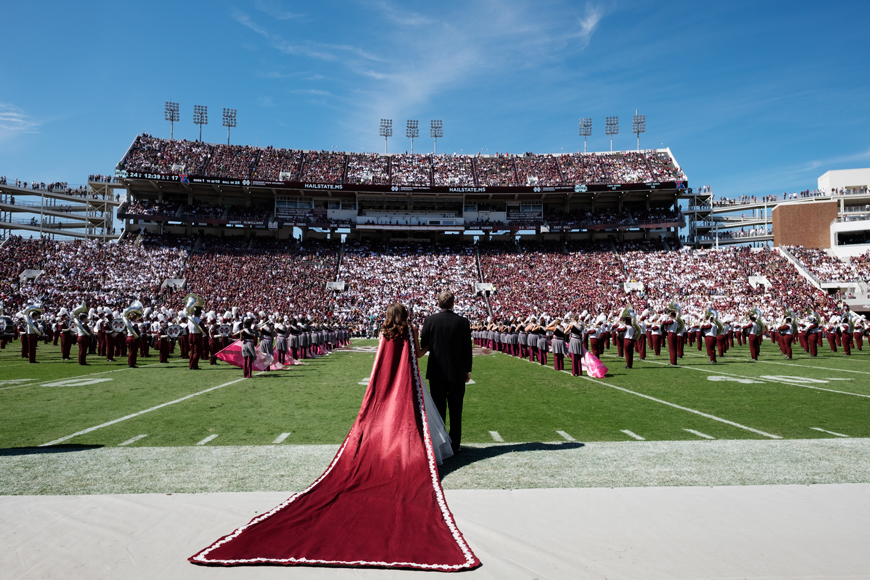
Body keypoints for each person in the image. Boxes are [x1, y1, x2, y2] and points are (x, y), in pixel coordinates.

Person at [189, 302, 480, 570]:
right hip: (412, 381)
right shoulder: (410, 331)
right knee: (422, 421)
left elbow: (379, 362)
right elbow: (414, 355)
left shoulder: (385, 333)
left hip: (393, 381)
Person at [419, 290, 473, 455]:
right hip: (457, 371)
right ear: (453, 304)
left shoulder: (430, 320)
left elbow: (424, 342)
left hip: (436, 371)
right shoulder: (462, 322)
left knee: (438, 410)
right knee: (456, 410)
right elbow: (467, 348)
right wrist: (467, 370)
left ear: (438, 303)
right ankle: (455, 444)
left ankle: (441, 445)